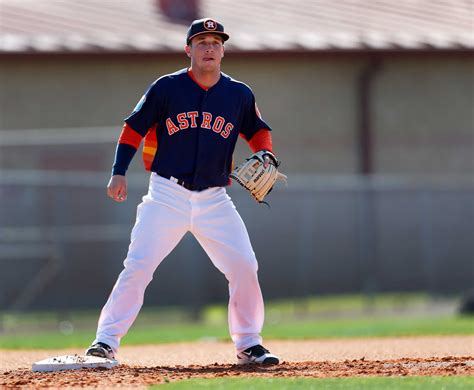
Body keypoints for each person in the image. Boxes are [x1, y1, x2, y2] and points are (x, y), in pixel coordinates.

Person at [85, 17, 280, 365]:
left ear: (223, 51)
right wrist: (118, 172)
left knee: (244, 266)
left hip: (214, 199)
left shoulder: (238, 94)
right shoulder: (167, 88)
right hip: (166, 195)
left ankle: (249, 343)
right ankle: (105, 341)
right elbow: (132, 130)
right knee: (139, 266)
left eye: (216, 42)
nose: (209, 47)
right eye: (202, 41)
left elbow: (259, 132)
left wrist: (267, 153)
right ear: (188, 49)